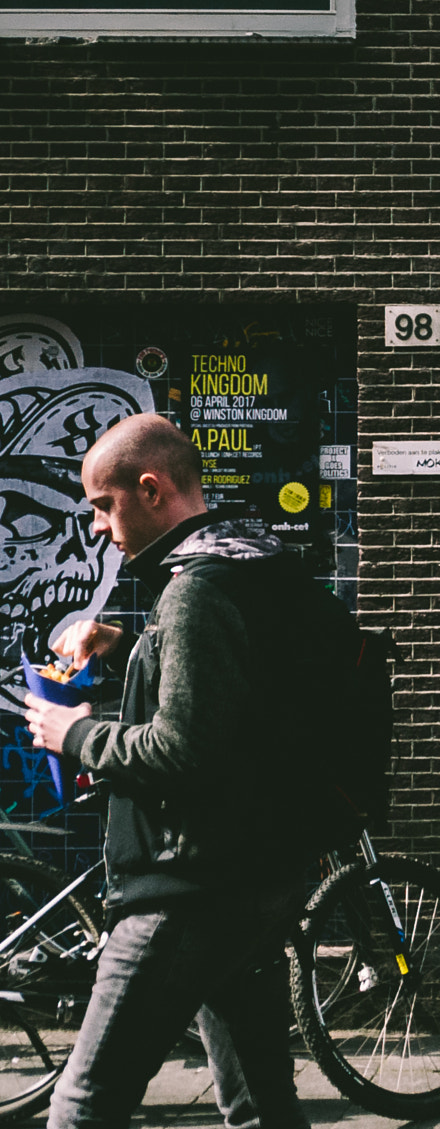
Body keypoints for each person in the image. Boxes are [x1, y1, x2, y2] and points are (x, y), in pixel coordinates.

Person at [25, 413, 315, 1129]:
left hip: (183, 891)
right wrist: (126, 642)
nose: (97, 525)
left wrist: (77, 733)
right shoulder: (257, 564)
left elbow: (185, 751)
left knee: (81, 1110)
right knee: (262, 1109)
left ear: (149, 488)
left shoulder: (195, 592)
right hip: (255, 880)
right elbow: (230, 695)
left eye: (102, 503)